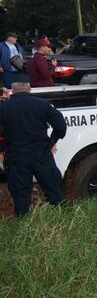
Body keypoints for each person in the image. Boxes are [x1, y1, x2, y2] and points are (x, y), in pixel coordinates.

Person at [0, 82, 67, 217]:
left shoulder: (4, 108)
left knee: (21, 195)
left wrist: (2, 149)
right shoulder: (42, 104)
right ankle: (64, 219)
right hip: (41, 154)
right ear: (29, 89)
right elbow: (61, 126)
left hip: (16, 156)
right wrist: (51, 142)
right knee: (53, 190)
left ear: (12, 91)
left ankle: (23, 225)